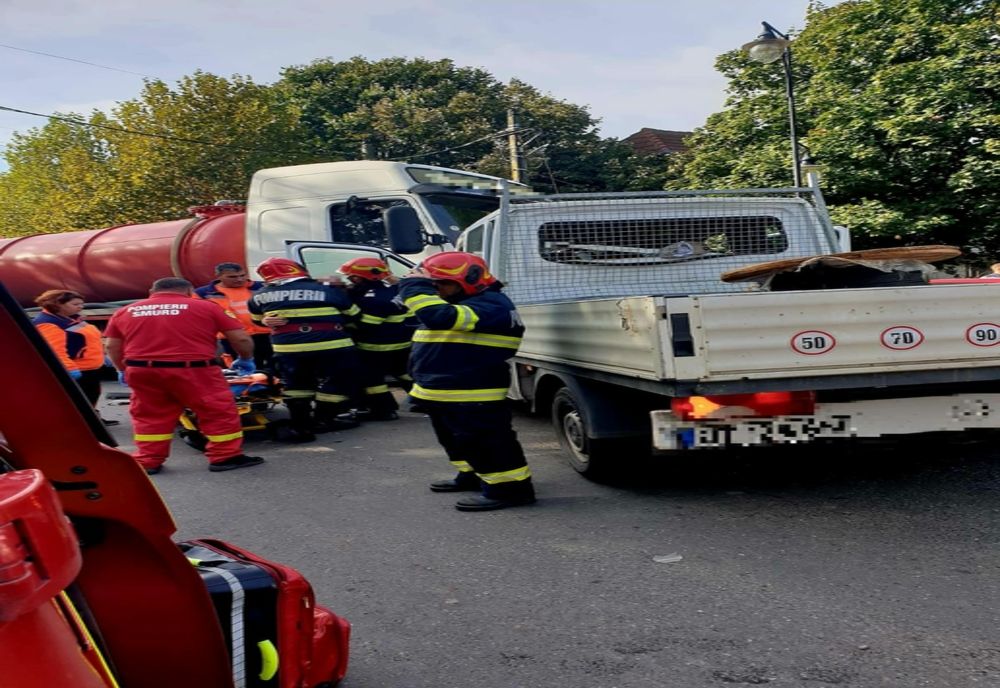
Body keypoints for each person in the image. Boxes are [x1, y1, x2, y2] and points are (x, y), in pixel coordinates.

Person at [397, 251, 535, 512]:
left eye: (441, 284)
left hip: (473, 393)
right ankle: (473, 475)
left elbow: (441, 318)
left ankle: (511, 490)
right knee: (456, 441)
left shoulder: (493, 305)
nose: (436, 291)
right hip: (446, 391)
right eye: (433, 285)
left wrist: (413, 284)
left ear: (469, 279)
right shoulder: (463, 302)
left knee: (488, 444)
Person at [103, 277, 264, 474]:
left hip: (142, 369)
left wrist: (122, 370)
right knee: (217, 411)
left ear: (151, 291)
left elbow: (112, 346)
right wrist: (246, 358)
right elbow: (239, 337)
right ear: (189, 291)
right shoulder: (206, 307)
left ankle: (148, 460)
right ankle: (225, 456)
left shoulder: (126, 310)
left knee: (150, 415)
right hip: (194, 369)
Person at [249, 258, 364, 443]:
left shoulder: (258, 295)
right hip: (332, 346)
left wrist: (267, 320)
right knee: (337, 382)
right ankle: (323, 420)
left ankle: (301, 421)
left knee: (297, 385)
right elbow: (355, 314)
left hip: (288, 349)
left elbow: (256, 320)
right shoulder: (327, 290)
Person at [338, 256, 416, 421]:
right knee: (403, 373)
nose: (350, 280)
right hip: (401, 342)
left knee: (372, 379)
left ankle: (385, 410)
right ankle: (425, 401)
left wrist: (346, 316)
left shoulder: (373, 299)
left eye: (352, 276)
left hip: (376, 346)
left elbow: (367, 325)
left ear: (362, 277)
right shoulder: (395, 289)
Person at [33, 289, 119, 426]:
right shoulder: (49, 323)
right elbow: (55, 350)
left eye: (81, 304)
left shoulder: (70, 319)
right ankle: (84, 424)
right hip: (77, 368)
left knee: (90, 395)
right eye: (75, 304)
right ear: (58, 304)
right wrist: (70, 369)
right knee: (78, 398)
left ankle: (92, 419)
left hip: (89, 367)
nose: (80, 307)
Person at [195, 262, 273, 370]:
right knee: (243, 372)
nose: (240, 279)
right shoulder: (204, 293)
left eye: (242, 275)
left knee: (276, 368)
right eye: (233, 277)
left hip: (267, 334)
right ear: (219, 276)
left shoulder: (262, 287)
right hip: (233, 338)